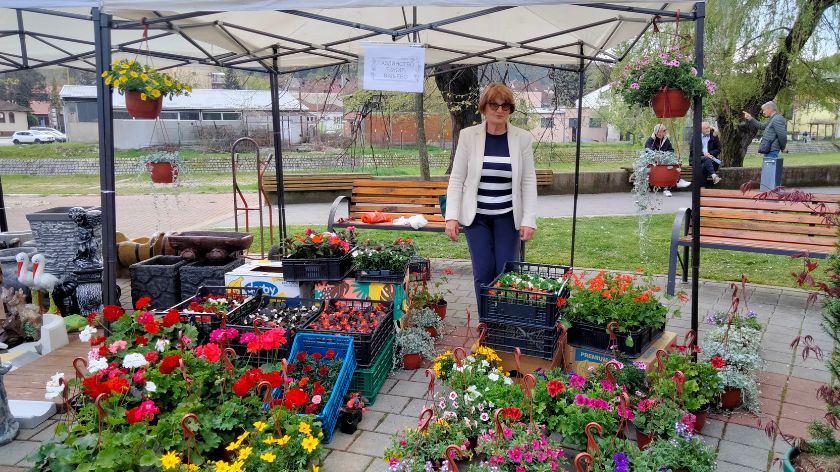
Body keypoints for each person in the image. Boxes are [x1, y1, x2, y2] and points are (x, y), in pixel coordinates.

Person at [444, 83, 537, 317]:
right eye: (494, 104)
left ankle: (504, 322)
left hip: (508, 217)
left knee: (506, 271)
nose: (499, 110)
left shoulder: (522, 138)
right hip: (477, 218)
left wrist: (529, 219)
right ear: (484, 107)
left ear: (511, 110)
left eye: (505, 105)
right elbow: (457, 179)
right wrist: (451, 217)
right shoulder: (469, 136)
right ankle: (487, 323)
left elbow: (528, 181)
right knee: (483, 272)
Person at [644, 124, 689, 197]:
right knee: (664, 168)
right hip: (653, 163)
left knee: (674, 164)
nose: (666, 132)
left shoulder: (666, 140)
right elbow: (649, 152)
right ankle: (668, 188)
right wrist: (658, 157)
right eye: (664, 130)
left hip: (665, 161)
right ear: (658, 132)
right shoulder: (650, 140)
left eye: (665, 130)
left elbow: (671, 150)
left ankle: (678, 181)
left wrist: (667, 156)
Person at [687, 121, 722, 187]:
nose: (708, 129)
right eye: (706, 128)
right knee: (706, 159)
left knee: (703, 165)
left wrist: (710, 153)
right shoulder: (695, 137)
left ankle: (701, 187)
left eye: (709, 127)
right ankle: (714, 176)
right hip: (697, 159)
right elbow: (692, 150)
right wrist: (703, 154)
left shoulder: (714, 136)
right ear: (701, 130)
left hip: (712, 160)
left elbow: (718, 149)